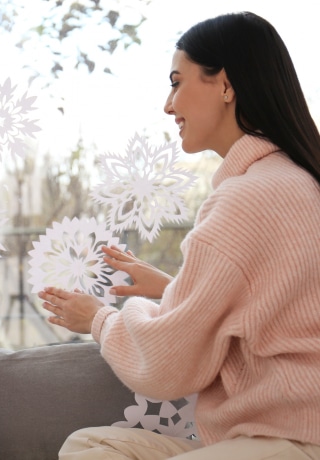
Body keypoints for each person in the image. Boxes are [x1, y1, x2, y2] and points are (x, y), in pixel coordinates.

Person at [38, 11, 320, 460]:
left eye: (176, 82)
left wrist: (98, 317)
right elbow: (275, 316)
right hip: (282, 436)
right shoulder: (295, 179)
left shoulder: (247, 197)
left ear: (225, 85)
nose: (169, 105)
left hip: (289, 441)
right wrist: (176, 290)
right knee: (90, 445)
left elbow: (167, 365)